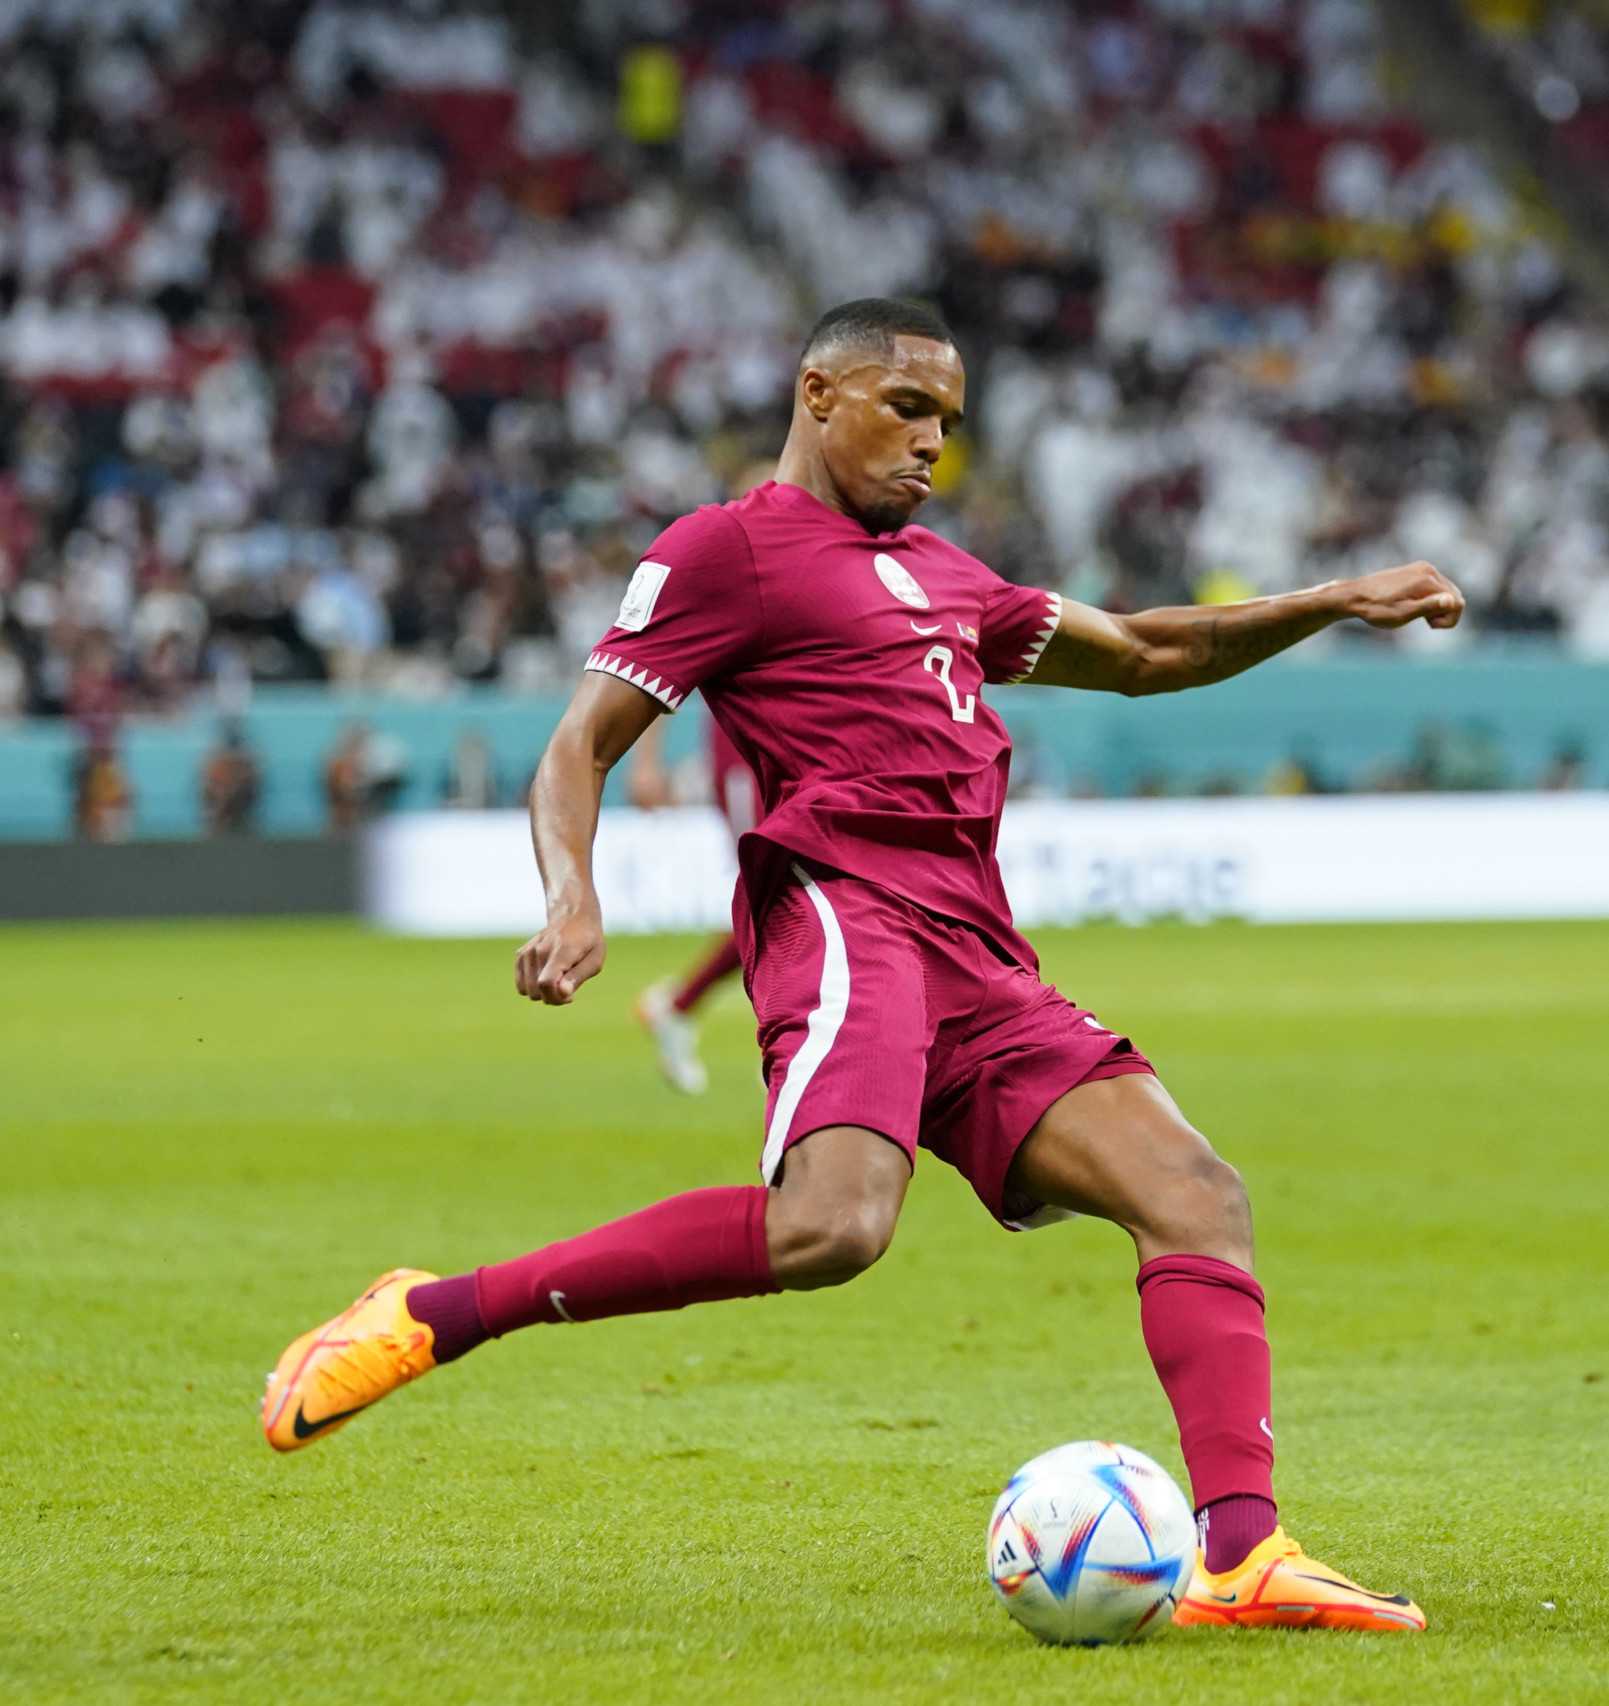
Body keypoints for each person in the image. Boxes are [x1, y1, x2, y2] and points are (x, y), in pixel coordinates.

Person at [258, 298, 1463, 1631]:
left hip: (979, 949)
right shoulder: (725, 551)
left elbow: (1143, 652)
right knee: (832, 1226)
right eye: (907, 407)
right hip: (847, 914)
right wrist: (571, 896)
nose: (933, 440)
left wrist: (1330, 600)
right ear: (818, 394)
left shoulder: (949, 574)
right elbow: (578, 743)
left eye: (948, 418)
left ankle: (1241, 1554)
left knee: (1194, 1191)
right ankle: (437, 1311)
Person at [630, 716, 759, 1094]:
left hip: (810, 745)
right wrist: (646, 762)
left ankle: (678, 1006)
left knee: (795, 892)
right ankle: (788, 1043)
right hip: (748, 745)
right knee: (770, 889)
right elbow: (650, 677)